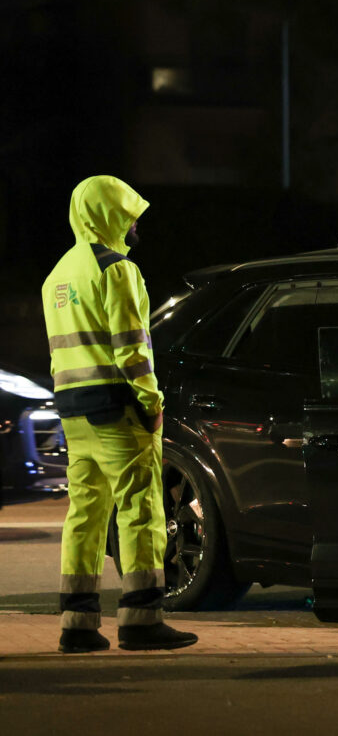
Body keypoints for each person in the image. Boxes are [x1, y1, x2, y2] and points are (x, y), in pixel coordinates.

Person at [42, 175, 197, 653]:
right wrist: (152, 402)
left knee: (85, 514)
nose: (134, 226)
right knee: (139, 510)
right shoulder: (116, 271)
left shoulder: (57, 275)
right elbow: (132, 349)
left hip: (73, 409)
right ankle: (141, 618)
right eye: (129, 216)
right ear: (111, 216)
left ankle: (77, 624)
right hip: (118, 409)